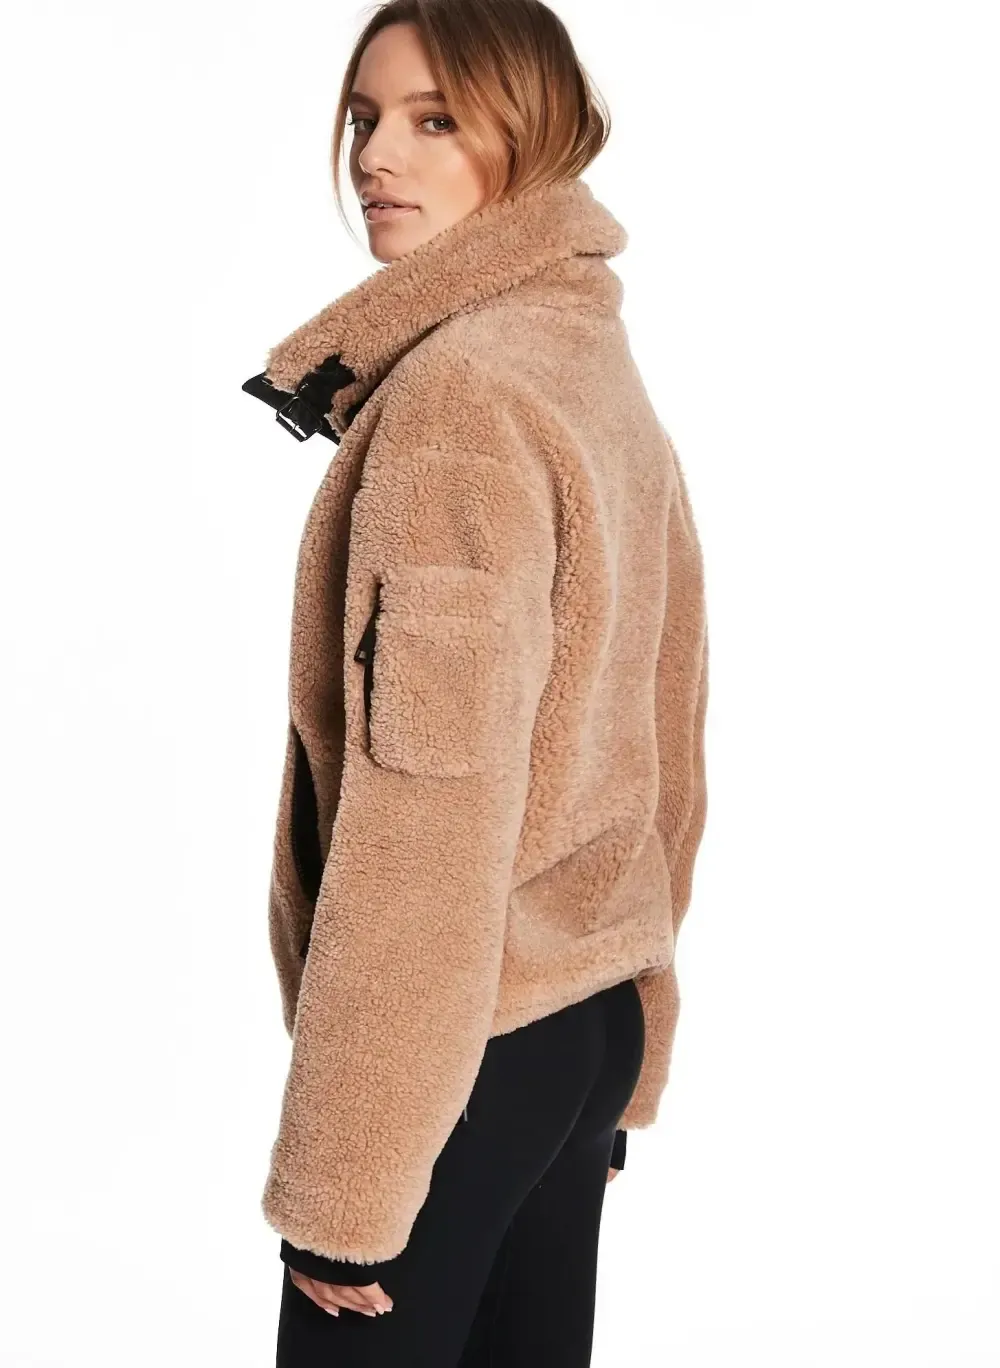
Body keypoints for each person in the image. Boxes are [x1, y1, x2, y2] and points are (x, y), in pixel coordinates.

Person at [242, 2, 709, 1363]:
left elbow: (426, 820)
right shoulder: (588, 366)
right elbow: (667, 728)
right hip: (583, 1023)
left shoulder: (458, 400)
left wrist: (346, 1186)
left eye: (434, 118)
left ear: (534, 132)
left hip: (460, 1053)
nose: (377, 157)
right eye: (365, 118)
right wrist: (629, 1055)